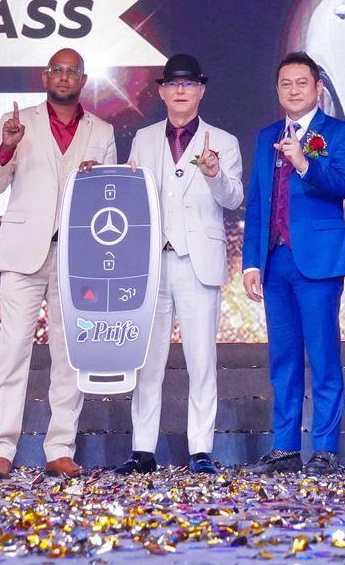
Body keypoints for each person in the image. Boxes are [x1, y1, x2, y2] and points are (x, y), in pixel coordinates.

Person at [0, 46, 117, 477]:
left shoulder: (102, 130)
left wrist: (100, 177)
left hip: (77, 257)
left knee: (70, 354)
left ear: (83, 80)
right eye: (56, 69)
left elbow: (112, 197)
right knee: (12, 352)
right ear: (45, 77)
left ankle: (60, 447)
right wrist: (6, 147)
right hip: (23, 252)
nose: (63, 76)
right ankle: (0, 450)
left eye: (71, 71)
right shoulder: (19, 123)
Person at [114, 53, 245, 475]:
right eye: (173, 84)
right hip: (151, 261)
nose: (181, 91)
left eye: (188, 84)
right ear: (162, 92)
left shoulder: (223, 141)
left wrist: (213, 173)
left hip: (197, 261)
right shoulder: (144, 138)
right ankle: (142, 449)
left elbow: (234, 198)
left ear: (201, 90)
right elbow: (133, 194)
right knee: (146, 360)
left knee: (201, 360)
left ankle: (201, 449)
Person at [241, 51, 345, 474]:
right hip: (275, 261)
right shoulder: (266, 136)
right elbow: (258, 201)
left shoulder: (339, 132)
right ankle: (285, 447)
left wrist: (304, 163)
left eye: (302, 83)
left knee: (323, 357)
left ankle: (325, 447)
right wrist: (251, 263)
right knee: (283, 359)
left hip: (319, 261)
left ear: (318, 88)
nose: (294, 90)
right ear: (277, 90)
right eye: (286, 84)